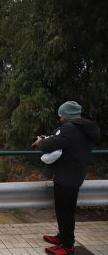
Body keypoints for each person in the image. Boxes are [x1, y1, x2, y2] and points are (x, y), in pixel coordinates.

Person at [32, 101, 100, 255]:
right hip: (75, 174)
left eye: (61, 115)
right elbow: (65, 142)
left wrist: (41, 141)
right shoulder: (84, 128)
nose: (60, 117)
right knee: (65, 210)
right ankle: (63, 237)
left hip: (66, 177)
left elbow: (50, 145)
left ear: (66, 115)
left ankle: (67, 246)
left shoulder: (69, 128)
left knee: (65, 212)